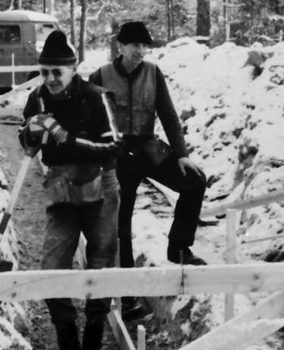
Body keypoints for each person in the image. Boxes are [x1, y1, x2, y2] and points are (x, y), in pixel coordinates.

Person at [89, 22, 208, 321]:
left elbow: (168, 114)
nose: (139, 51)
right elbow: (88, 120)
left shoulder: (153, 73)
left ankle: (179, 248)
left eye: (144, 46)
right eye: (133, 45)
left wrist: (181, 155)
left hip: (147, 148)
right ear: (120, 47)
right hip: (117, 154)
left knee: (194, 182)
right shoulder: (100, 76)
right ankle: (128, 295)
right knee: (122, 218)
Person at [19, 30, 121, 350]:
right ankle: (68, 346)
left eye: (56, 73)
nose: (50, 79)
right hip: (61, 186)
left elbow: (113, 147)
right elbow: (25, 139)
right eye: (44, 72)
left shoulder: (96, 97)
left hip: (100, 184)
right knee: (52, 265)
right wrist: (30, 132)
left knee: (101, 262)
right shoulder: (37, 98)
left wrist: (66, 137)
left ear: (73, 69)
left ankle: (92, 347)